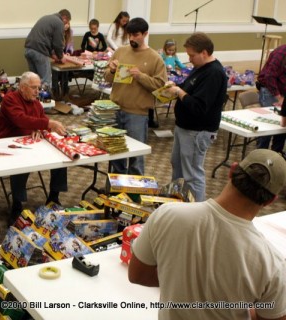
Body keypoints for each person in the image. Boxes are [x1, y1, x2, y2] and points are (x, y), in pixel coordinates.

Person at [129, 149, 286, 320]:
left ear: (232, 170)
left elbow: (137, 275)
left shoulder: (167, 214)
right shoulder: (272, 264)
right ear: (271, 200)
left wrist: (179, 283)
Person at [0, 72, 68, 226]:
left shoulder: (36, 103)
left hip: (29, 143)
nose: (37, 91)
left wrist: (38, 129)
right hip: (7, 142)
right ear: (22, 87)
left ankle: (53, 196)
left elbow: (38, 122)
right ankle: (17, 205)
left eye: (38, 88)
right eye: (33, 88)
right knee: (21, 163)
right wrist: (45, 125)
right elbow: (20, 120)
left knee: (61, 156)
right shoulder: (10, 99)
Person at [163, 32, 228, 202]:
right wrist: (176, 86)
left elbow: (199, 106)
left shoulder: (214, 73)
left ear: (204, 53)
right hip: (184, 127)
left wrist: (179, 92)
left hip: (197, 131)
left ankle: (197, 212)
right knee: (177, 166)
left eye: (192, 55)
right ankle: (177, 204)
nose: (189, 59)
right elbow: (189, 88)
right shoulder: (200, 68)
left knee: (192, 174)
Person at [103, 17, 167, 175]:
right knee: (115, 155)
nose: (131, 38)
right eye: (129, 35)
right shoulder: (120, 51)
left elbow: (160, 86)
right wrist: (111, 70)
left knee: (136, 157)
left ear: (145, 34)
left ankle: (134, 195)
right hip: (115, 109)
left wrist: (140, 76)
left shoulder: (155, 58)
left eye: (135, 35)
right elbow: (106, 78)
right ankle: (115, 192)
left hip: (137, 114)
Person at [24, 9, 71, 88]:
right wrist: (61, 57)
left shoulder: (47, 18)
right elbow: (57, 43)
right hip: (40, 51)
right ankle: (46, 99)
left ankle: (34, 100)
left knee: (34, 81)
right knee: (46, 82)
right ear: (64, 18)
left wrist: (52, 54)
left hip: (28, 49)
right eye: (66, 22)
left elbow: (47, 39)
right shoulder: (59, 23)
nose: (65, 25)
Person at [255, 44, 286, 154]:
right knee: (267, 129)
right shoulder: (281, 53)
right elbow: (269, 76)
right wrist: (279, 97)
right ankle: (259, 158)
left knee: (282, 127)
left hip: (283, 91)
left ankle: (276, 155)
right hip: (270, 90)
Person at [52, 21, 74, 99]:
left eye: (68, 24)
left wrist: (68, 52)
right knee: (55, 75)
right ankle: (56, 94)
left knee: (65, 75)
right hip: (56, 57)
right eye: (65, 24)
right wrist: (57, 55)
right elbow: (53, 46)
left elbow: (71, 45)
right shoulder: (56, 32)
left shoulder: (70, 33)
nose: (66, 26)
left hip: (65, 58)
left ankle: (64, 93)